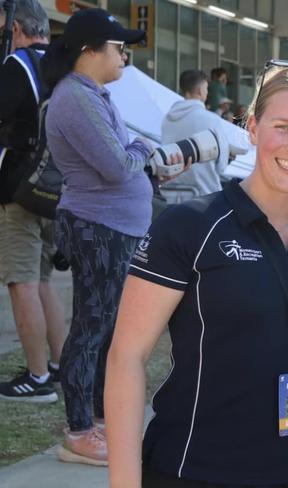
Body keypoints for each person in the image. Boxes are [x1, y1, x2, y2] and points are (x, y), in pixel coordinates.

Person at [105, 61, 288, 487]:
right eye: (283, 126)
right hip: (195, 470)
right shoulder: (188, 226)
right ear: (252, 128)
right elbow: (126, 357)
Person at [42, 8, 188, 466]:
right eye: (117, 45)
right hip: (98, 227)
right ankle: (80, 431)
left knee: (107, 328)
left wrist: (140, 155)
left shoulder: (91, 94)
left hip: (114, 226)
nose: (123, 53)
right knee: (92, 328)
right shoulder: (76, 98)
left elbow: (120, 163)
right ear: (89, 50)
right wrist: (147, 146)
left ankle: (99, 421)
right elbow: (117, 165)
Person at [0, 0, 67, 403]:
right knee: (42, 280)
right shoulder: (62, 65)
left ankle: (37, 377)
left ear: (19, 29)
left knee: (20, 280)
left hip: (16, 189)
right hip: (53, 189)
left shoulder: (17, 65)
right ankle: (57, 365)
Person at [160, 69, 230, 201]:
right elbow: (222, 166)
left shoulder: (167, 119)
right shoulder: (212, 120)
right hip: (205, 196)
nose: (207, 92)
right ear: (200, 91)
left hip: (171, 196)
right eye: (206, 88)